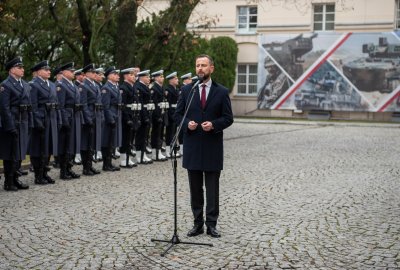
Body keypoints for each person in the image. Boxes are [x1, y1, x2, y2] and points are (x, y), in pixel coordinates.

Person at [174, 54, 233, 238]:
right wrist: (187, 125)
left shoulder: (221, 92)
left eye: (204, 65)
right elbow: (177, 115)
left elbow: (228, 118)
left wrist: (214, 124)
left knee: (212, 188)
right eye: (198, 65)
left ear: (211, 68)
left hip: (212, 146)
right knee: (195, 189)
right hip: (192, 146)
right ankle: (197, 224)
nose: (200, 68)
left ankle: (212, 224)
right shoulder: (187, 90)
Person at [0, 57, 31, 191]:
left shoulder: (24, 84)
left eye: (22, 67)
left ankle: (16, 178)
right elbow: (4, 108)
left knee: (19, 151)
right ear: (12, 69)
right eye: (19, 67)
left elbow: (28, 105)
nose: (23, 69)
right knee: (10, 153)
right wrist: (10, 125)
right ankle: (8, 181)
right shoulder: (5, 85)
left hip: (23, 120)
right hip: (12, 120)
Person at [29, 60, 59, 185]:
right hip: (41, 118)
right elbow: (33, 106)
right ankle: (38, 174)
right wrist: (37, 122)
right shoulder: (34, 84)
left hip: (51, 117)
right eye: (46, 70)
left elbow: (56, 103)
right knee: (39, 147)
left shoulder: (51, 85)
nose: (49, 72)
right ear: (39, 71)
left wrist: (58, 119)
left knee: (48, 146)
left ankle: (45, 172)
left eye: (49, 70)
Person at [56, 62, 82, 180]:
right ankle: (63, 170)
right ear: (64, 72)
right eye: (71, 71)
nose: (73, 73)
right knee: (65, 144)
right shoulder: (61, 85)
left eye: (73, 71)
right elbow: (60, 105)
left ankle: (69, 167)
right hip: (67, 117)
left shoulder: (73, 85)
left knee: (71, 143)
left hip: (74, 116)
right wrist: (64, 120)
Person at [79, 63, 102, 176]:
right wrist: (88, 119)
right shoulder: (83, 86)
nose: (94, 74)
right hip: (88, 118)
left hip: (96, 115)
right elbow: (84, 104)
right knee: (86, 143)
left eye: (95, 72)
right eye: (92, 72)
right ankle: (86, 167)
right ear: (86, 74)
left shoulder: (96, 85)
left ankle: (90, 165)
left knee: (92, 142)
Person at [100, 66, 122, 171]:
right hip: (109, 117)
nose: (117, 76)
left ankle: (109, 163)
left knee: (112, 141)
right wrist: (111, 119)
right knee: (107, 141)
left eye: (117, 74)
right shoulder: (106, 88)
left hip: (115, 115)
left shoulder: (115, 87)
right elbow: (105, 106)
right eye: (115, 74)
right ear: (109, 76)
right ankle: (106, 164)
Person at [119, 67, 139, 168]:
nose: (134, 76)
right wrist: (127, 119)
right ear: (126, 76)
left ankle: (128, 158)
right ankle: (123, 159)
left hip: (134, 115)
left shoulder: (133, 87)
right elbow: (123, 105)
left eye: (134, 74)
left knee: (131, 139)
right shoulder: (123, 88)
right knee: (125, 138)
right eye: (131, 75)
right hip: (127, 116)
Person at [150, 70, 167, 161]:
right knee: (156, 133)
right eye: (160, 77)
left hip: (162, 113)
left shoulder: (162, 87)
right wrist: (157, 116)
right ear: (156, 78)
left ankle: (159, 151)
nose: (162, 78)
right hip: (157, 114)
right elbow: (154, 103)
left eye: (163, 76)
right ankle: (154, 153)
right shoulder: (154, 88)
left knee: (160, 134)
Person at [165, 71, 181, 158]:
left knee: (174, 133)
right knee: (169, 133)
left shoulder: (176, 89)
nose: (177, 80)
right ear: (171, 80)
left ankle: (173, 149)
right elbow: (168, 104)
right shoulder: (168, 90)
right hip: (171, 113)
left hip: (175, 113)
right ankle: (168, 151)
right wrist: (172, 115)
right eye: (175, 78)